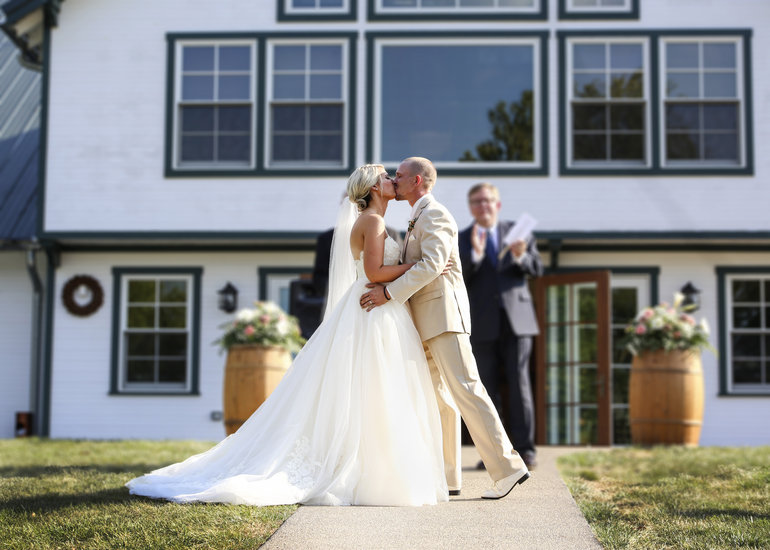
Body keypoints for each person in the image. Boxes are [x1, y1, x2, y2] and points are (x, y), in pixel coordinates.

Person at [126, 165, 447, 506]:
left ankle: (377, 463)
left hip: (379, 309)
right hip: (372, 309)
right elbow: (373, 272)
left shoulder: (374, 221)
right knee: (375, 384)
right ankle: (371, 468)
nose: (392, 180)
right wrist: (420, 266)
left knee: (374, 387)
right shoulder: (373, 221)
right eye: (385, 177)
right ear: (373, 188)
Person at [360, 157, 530, 500]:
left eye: (400, 175)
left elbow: (433, 265)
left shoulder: (435, 214)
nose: (395, 178)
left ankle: (509, 468)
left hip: (443, 317)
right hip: (424, 320)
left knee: (467, 388)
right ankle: (448, 476)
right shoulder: (414, 216)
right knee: (440, 399)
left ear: (418, 181)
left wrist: (388, 293)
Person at [458, 182, 543, 469]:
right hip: (481, 323)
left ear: (498, 204)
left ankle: (525, 450)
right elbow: (458, 277)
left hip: (517, 322)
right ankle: (495, 452)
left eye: (488, 201)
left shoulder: (519, 233)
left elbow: (537, 269)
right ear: (471, 207)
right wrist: (477, 255)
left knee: (520, 386)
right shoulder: (461, 238)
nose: (483, 206)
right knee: (487, 389)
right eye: (477, 202)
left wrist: (520, 254)